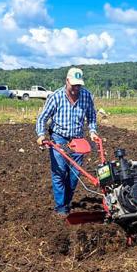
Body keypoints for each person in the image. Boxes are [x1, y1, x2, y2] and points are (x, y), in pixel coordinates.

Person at [35, 67, 100, 216]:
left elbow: (91, 116)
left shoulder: (86, 96)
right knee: (59, 173)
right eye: (74, 85)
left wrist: (92, 131)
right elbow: (42, 118)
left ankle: (67, 202)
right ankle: (61, 208)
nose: (76, 88)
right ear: (67, 81)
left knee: (74, 175)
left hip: (78, 139)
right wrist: (41, 135)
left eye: (79, 85)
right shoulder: (56, 96)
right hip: (59, 138)